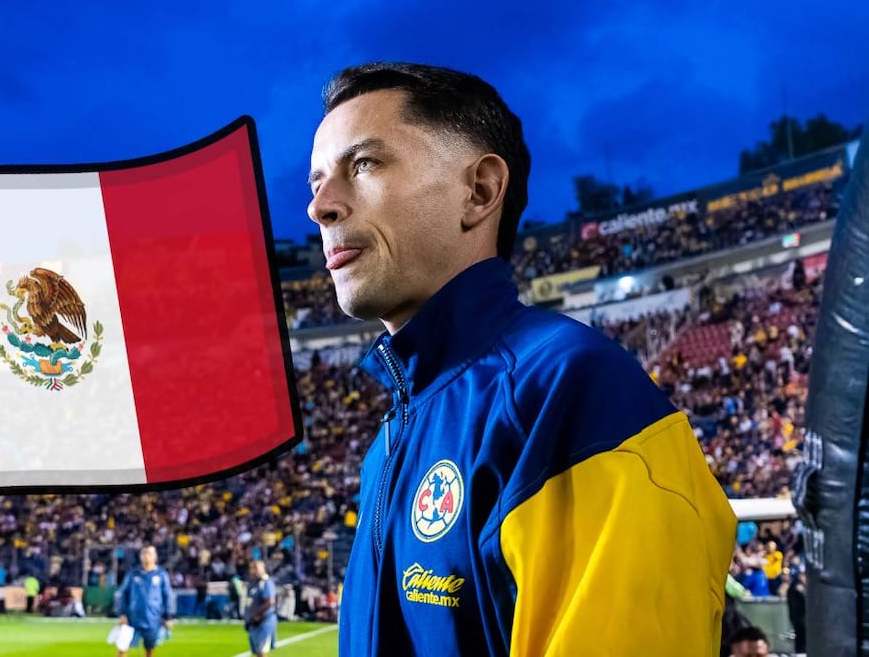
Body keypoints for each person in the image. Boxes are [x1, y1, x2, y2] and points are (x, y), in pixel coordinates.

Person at [306, 61, 738, 655]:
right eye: (316, 182)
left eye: (364, 164)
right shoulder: (392, 436)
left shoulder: (571, 392)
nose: (321, 207)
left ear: (479, 191)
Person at [113, 546, 176, 657]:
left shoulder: (161, 575)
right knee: (122, 648)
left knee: (149, 650)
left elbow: (168, 596)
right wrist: (122, 613)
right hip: (131, 619)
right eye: (144, 553)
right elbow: (121, 594)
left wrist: (169, 617)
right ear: (140, 556)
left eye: (149, 553)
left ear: (155, 556)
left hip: (153, 619)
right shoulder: (133, 574)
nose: (146, 556)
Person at [244, 559, 277, 657]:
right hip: (253, 623)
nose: (253, 571)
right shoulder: (253, 583)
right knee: (258, 652)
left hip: (264, 622)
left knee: (262, 652)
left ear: (263, 568)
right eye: (251, 568)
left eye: (256, 568)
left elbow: (269, 602)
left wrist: (256, 614)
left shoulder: (266, 582)